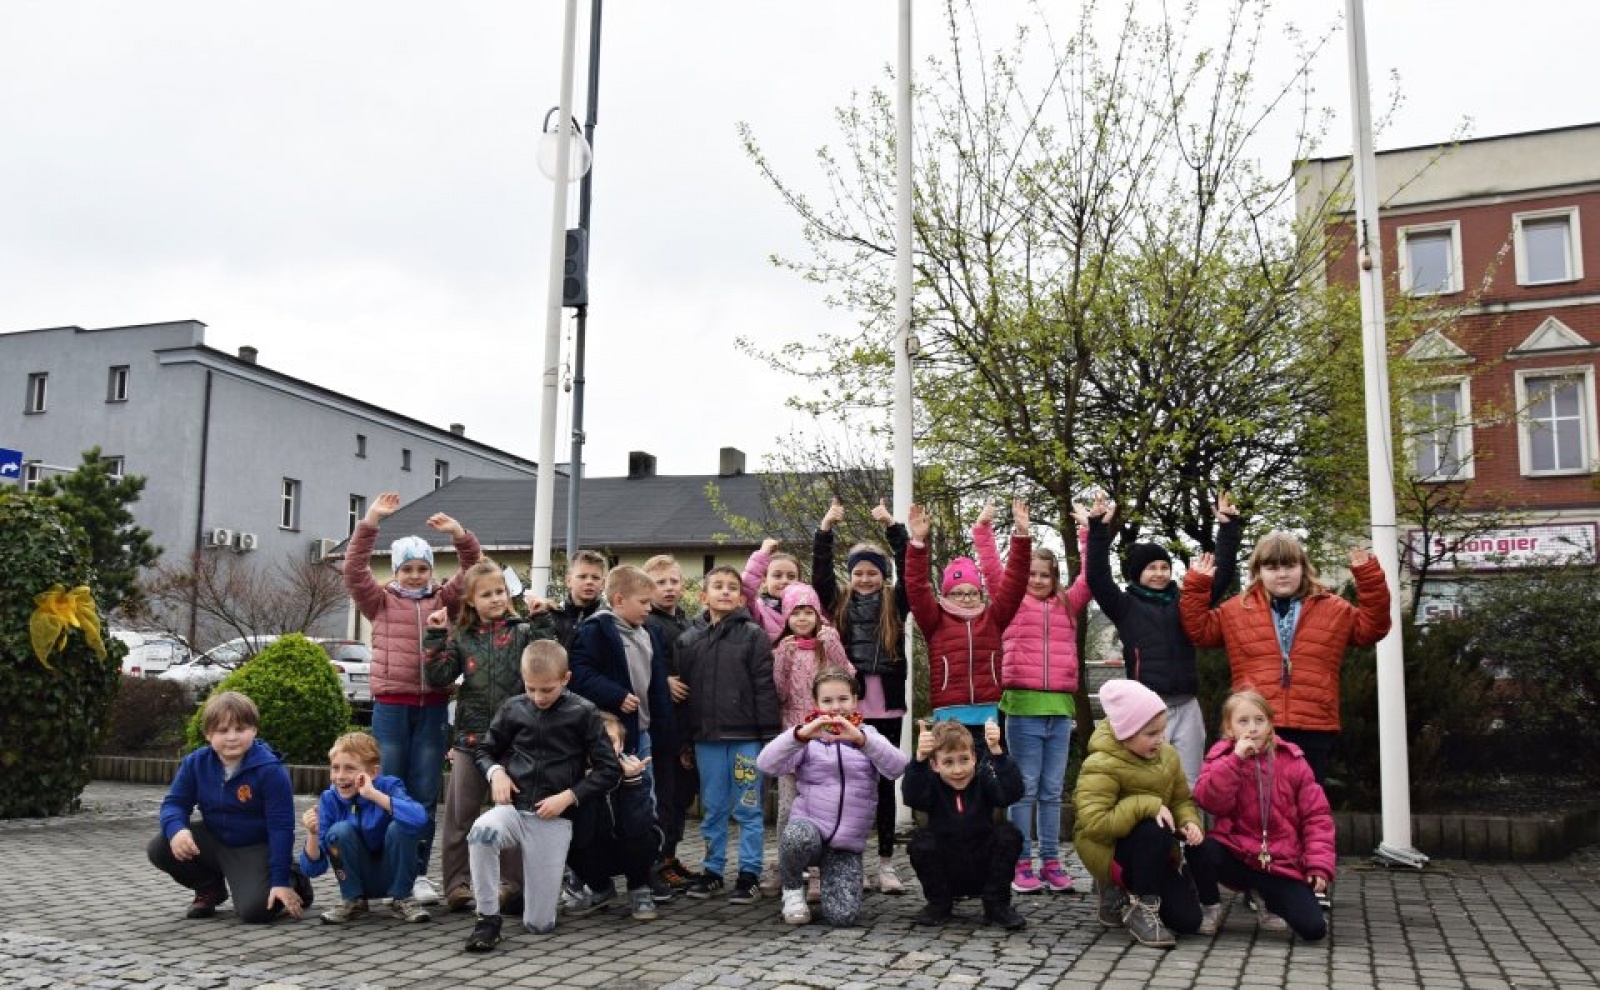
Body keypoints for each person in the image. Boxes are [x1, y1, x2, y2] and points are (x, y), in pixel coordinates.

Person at [343, 490, 482, 904]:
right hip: (391, 708)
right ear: (396, 570)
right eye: (408, 568)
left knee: (423, 792)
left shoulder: (446, 599)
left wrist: (459, 534)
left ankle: (418, 873)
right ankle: (385, 868)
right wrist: (370, 522)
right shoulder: (380, 601)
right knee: (388, 786)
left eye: (423, 568)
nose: (417, 575)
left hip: (434, 707)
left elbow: (474, 568)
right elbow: (353, 570)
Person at [1181, 531, 1392, 786]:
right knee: (1255, 809)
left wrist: (1369, 579)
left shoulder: (1333, 608)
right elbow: (1198, 632)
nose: (1282, 574)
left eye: (1290, 565)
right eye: (1272, 567)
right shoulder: (1237, 609)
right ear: (1258, 571)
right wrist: (1197, 584)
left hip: (1313, 724)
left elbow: (1373, 628)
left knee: (1307, 807)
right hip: (1254, 724)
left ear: (1303, 567)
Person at [461, 641, 620, 951]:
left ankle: (526, 898)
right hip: (512, 809)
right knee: (481, 833)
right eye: (531, 688)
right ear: (523, 678)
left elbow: (609, 771)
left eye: (547, 689)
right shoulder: (513, 707)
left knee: (539, 925)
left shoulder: (584, 712)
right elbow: (483, 749)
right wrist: (497, 773)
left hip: (554, 817)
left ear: (566, 678)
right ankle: (487, 920)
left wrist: (569, 797)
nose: (538, 697)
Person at [422, 560, 557, 912]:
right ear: (470, 600)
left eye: (499, 591)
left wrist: (542, 620)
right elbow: (438, 676)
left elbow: (550, 659)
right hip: (471, 740)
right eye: (486, 594)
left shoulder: (524, 631)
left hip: (516, 741)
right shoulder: (462, 638)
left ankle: (512, 886)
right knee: (459, 815)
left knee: (511, 813)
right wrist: (436, 635)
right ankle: (457, 885)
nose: (495, 599)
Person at [973, 498, 1091, 894]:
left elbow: (1091, 577)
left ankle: (1052, 862)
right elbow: (991, 570)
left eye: (1047, 574)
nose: (1038, 580)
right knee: (1023, 786)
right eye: (1033, 574)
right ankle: (1020, 861)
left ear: (1055, 577)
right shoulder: (1012, 603)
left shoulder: (1067, 605)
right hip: (1022, 706)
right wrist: (984, 530)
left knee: (1053, 789)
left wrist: (1088, 533)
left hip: (1059, 707)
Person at [1085, 491, 1242, 787]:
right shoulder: (1125, 606)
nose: (1159, 573)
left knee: (1191, 782)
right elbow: (1097, 578)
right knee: (1152, 782)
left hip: (1187, 704)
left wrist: (1228, 530)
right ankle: (1158, 834)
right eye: (1151, 568)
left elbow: (1219, 579)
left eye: (1164, 567)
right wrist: (1097, 532)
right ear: (1137, 573)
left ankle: (1190, 835)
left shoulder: (1184, 603)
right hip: (1148, 708)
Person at [812, 496, 911, 893]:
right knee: (846, 781)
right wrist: (825, 530)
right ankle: (840, 859)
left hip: (886, 703)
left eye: (873, 572)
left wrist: (893, 526)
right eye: (859, 573)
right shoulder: (838, 603)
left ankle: (885, 864)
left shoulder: (896, 604)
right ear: (850, 576)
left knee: (884, 781)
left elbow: (912, 569)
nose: (866, 579)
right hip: (847, 705)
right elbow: (820, 577)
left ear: (882, 576)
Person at [757, 669, 909, 926]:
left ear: (855, 700)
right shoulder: (807, 738)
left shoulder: (868, 735)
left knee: (843, 917)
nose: (836, 707)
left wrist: (862, 741)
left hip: (845, 846)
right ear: (816, 704)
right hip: (810, 831)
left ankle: (832, 881)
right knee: (795, 835)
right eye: (827, 701)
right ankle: (792, 892)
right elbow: (766, 764)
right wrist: (800, 735)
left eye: (843, 699)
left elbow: (897, 767)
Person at [147, 691, 311, 923]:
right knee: (161, 846)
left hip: (253, 846)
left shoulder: (271, 771)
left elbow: (281, 829)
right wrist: (177, 830)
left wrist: (280, 881)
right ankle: (209, 888)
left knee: (256, 912)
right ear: (208, 734)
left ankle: (295, 879)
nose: (232, 737)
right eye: (223, 731)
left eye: (240, 729)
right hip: (214, 840)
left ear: (254, 730)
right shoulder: (195, 763)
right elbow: (174, 804)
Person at [1072, 679, 1209, 949]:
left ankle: (1127, 891)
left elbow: (1181, 800)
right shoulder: (1100, 764)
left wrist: (1189, 822)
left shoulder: (1168, 756)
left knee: (1188, 921)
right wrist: (1146, 804)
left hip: (1154, 852)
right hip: (1109, 849)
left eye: (1162, 731)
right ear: (1126, 732)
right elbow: (1095, 823)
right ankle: (1138, 905)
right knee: (1152, 828)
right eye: (1150, 733)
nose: (1160, 740)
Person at [675, 564, 780, 905]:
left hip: (746, 739)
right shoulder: (688, 640)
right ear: (703, 596)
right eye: (717, 586)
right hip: (706, 741)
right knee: (714, 807)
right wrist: (686, 740)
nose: (725, 591)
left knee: (749, 807)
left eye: (732, 587)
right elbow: (684, 696)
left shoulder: (753, 636)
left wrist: (769, 739)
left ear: (740, 597)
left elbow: (765, 689)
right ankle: (712, 871)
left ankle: (749, 873)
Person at [1191, 691, 1334, 941]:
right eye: (1243, 721)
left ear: (1270, 725)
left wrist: (1318, 865)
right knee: (1199, 848)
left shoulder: (1293, 761)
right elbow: (1210, 801)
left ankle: (1268, 898)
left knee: (1314, 929)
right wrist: (1236, 760)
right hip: (1237, 854)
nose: (1252, 728)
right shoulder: (1222, 757)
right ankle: (1209, 907)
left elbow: (1317, 817)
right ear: (1229, 727)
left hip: (1279, 863)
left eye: (1259, 720)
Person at [905, 502, 1031, 750]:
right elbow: (917, 587)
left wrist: (1022, 537)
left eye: (973, 592)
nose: (967, 598)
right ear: (946, 595)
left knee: (985, 778)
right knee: (951, 774)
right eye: (958, 593)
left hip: (987, 713)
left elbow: (1015, 583)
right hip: (949, 713)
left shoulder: (993, 618)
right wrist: (918, 543)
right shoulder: (935, 620)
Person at [902, 719, 1027, 930]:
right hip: (947, 865)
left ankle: (996, 904)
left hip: (982, 864)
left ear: (974, 759)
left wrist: (998, 753)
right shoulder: (931, 783)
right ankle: (939, 904)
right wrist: (919, 760)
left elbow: (1011, 793)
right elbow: (912, 797)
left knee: (1009, 835)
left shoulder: (983, 779)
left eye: (964, 760)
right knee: (920, 842)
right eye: (948, 762)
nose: (958, 770)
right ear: (935, 765)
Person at [298, 731, 431, 924]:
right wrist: (312, 834)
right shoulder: (329, 799)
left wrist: (373, 794)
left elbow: (419, 818)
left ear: (374, 772)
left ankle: (401, 898)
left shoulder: (389, 785)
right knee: (339, 831)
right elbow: (313, 870)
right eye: (335, 768)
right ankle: (354, 901)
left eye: (350, 769)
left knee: (402, 824)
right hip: (359, 877)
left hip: (393, 873)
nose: (340, 776)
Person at [770, 583, 854, 871]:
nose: (803, 618)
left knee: (823, 804)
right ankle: (788, 867)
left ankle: (822, 868)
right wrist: (781, 657)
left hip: (828, 736)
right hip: (793, 734)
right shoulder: (784, 648)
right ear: (786, 617)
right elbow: (779, 693)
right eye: (796, 613)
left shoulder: (828, 642)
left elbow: (849, 679)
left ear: (818, 615)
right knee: (787, 807)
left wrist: (833, 646)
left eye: (809, 612)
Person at [566, 712, 667, 922]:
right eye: (595, 742)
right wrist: (588, 788)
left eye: (610, 742)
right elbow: (580, 830)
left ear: (621, 746)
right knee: (568, 842)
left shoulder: (635, 771)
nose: (602, 748)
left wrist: (631, 783)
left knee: (646, 838)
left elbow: (639, 825)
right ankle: (600, 888)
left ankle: (639, 887)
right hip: (595, 847)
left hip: (628, 845)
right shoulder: (574, 776)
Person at [641, 554, 697, 893]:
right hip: (662, 725)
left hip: (688, 723)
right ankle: (657, 862)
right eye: (660, 583)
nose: (669, 588)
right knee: (664, 798)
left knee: (681, 797)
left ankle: (671, 856)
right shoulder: (647, 624)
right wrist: (661, 681)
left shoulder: (688, 624)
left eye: (674, 581)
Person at [741, 537, 805, 640]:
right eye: (777, 575)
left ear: (800, 581)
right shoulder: (759, 610)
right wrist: (762, 554)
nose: (785, 581)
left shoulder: (807, 609)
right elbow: (745, 590)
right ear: (764, 581)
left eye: (791, 576)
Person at [549, 549, 608, 648]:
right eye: (582, 577)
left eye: (595, 578)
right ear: (568, 581)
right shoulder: (552, 619)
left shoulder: (609, 620)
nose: (589, 582)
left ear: (603, 583)